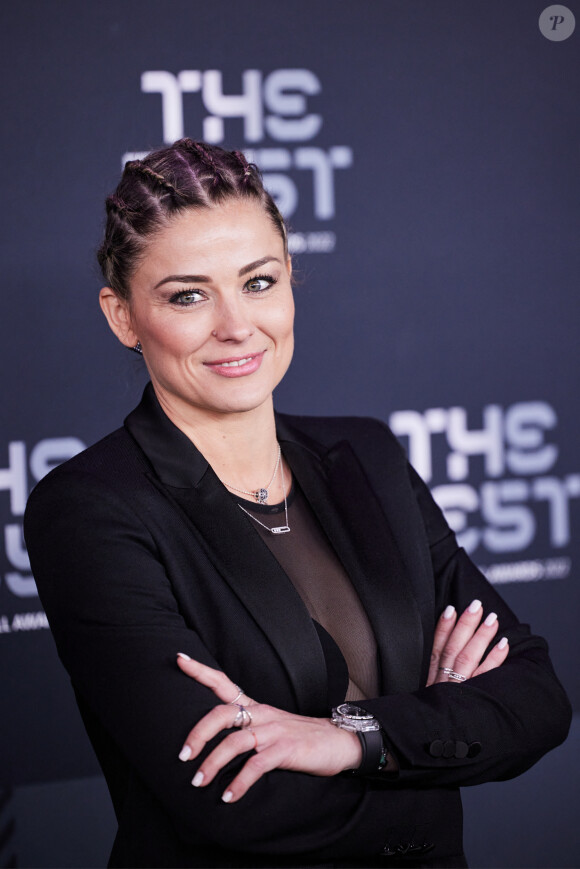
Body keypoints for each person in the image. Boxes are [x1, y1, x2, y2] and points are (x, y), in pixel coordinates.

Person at [24, 139, 571, 869]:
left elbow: (536, 698)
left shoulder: (367, 458)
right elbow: (237, 796)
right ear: (124, 317)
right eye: (188, 295)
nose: (237, 325)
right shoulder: (92, 510)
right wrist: (435, 748)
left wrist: (349, 737)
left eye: (258, 281)